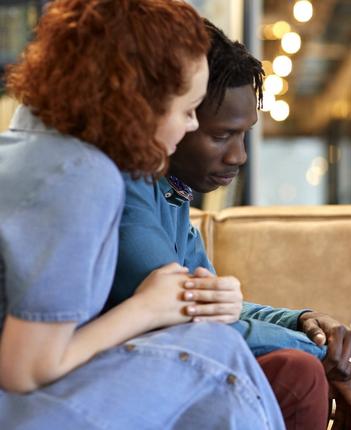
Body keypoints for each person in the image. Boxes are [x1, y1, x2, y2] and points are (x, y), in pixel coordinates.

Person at [0, 1, 284, 428]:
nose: (191, 127)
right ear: (137, 101)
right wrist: (146, 309)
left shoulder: (29, 148)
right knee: (218, 356)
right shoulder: (83, 174)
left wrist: (188, 300)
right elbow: (24, 367)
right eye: (188, 110)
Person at [108, 20, 351, 430]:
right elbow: (189, 318)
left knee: (299, 367)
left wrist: (303, 322)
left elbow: (212, 309)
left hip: (158, 368)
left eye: (244, 134)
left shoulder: (172, 190)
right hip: (112, 384)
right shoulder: (122, 187)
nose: (239, 156)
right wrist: (324, 354)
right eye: (222, 135)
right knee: (297, 371)